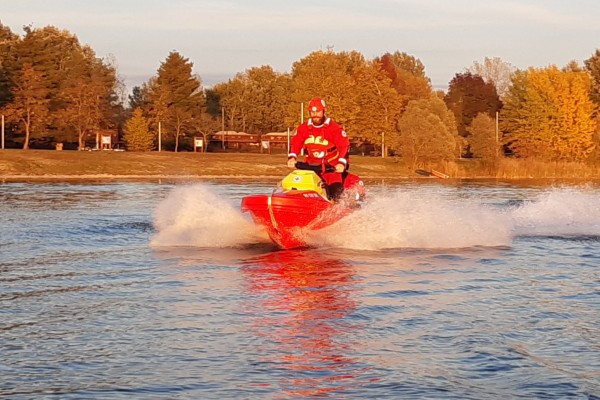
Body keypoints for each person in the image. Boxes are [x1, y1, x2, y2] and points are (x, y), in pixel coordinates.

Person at [287, 97, 350, 201]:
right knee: (297, 186)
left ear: (324, 111)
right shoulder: (303, 128)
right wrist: (292, 157)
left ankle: (336, 207)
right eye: (312, 112)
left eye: (318, 112)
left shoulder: (333, 128)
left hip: (331, 167)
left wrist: (341, 163)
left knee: (335, 192)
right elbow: (296, 143)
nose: (315, 115)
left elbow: (344, 146)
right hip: (310, 167)